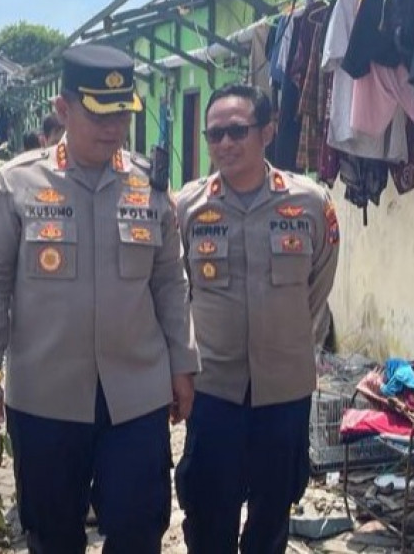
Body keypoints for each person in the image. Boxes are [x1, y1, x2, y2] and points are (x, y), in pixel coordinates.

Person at [0, 43, 198, 553]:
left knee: (140, 529)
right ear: (63, 109)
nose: (112, 126)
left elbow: (169, 282)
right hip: (45, 394)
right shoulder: (17, 184)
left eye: (121, 112)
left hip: (135, 393)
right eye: (98, 112)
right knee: (52, 534)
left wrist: (182, 363)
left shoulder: (149, 186)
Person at [173, 84, 340, 553]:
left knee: (273, 508)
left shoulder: (310, 203)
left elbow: (319, 283)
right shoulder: (189, 207)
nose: (225, 143)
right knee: (208, 508)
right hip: (213, 389)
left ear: (266, 131)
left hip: (283, 390)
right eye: (215, 134)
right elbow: (173, 287)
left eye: (236, 131)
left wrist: (283, 336)